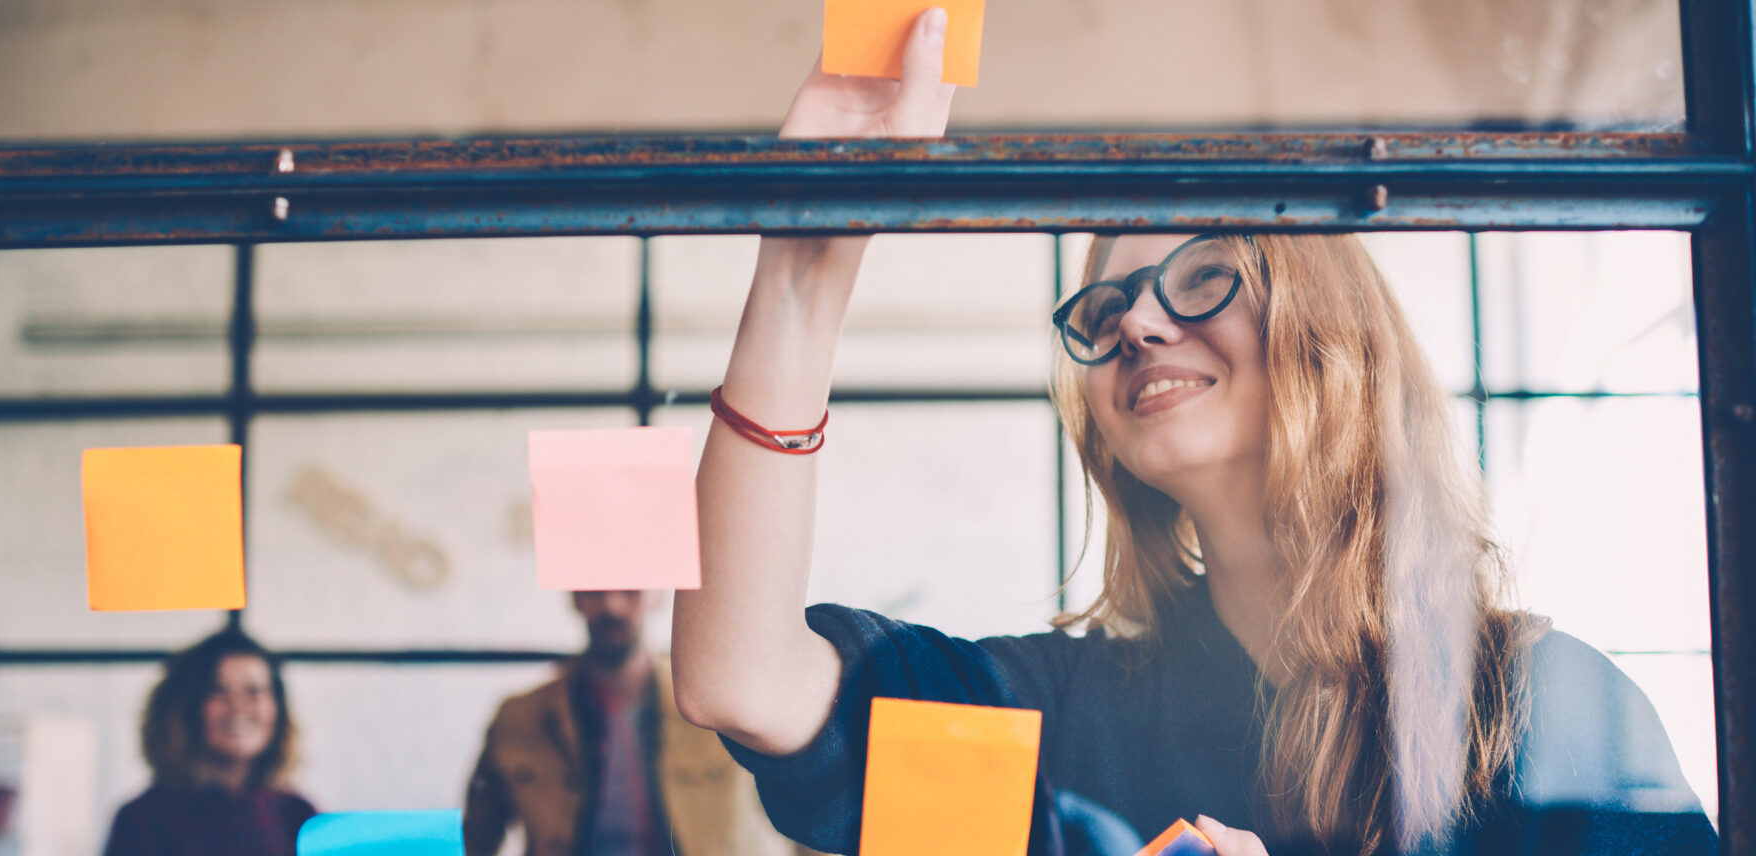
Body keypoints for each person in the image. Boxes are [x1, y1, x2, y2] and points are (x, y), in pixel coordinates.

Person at [670, 9, 1720, 856]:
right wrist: (800, 280)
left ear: (1328, 332)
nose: (1135, 320)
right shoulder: (1073, 717)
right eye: (1105, 307)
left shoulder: (1536, 707)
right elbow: (743, 679)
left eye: (1203, 275)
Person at [462, 590, 810, 856]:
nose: (612, 605)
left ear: (656, 595)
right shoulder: (520, 718)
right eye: (595, 590)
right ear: (575, 598)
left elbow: (803, 817)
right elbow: (475, 837)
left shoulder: (726, 703)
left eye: (629, 590)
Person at [102, 630, 315, 856]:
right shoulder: (143, 820)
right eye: (218, 691)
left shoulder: (298, 816)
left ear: (277, 709)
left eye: (254, 692)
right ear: (185, 708)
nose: (238, 707)